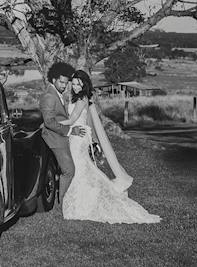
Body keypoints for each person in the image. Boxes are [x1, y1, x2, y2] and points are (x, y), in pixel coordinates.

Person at [59, 70, 161, 224]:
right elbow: (88, 121)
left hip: (78, 138)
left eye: (78, 85)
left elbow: (73, 118)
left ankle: (81, 201)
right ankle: (85, 195)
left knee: (79, 168)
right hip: (77, 136)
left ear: (84, 85)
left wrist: (53, 123)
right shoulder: (79, 99)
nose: (75, 87)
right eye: (73, 84)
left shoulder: (81, 100)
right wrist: (91, 138)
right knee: (82, 167)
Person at [40, 62, 86, 205]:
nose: (64, 86)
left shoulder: (56, 93)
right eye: (61, 82)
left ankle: (66, 199)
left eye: (66, 83)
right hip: (55, 138)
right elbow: (49, 122)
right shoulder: (49, 96)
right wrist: (71, 130)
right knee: (69, 170)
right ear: (53, 79)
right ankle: (64, 203)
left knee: (67, 170)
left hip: (61, 136)